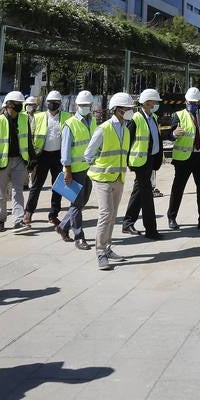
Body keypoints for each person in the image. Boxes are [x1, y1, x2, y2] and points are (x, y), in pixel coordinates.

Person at [86, 93, 135, 270]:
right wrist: (100, 167)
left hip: (119, 178)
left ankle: (107, 248)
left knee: (113, 216)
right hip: (103, 179)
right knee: (105, 214)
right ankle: (100, 252)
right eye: (127, 108)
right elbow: (88, 154)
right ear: (118, 109)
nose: (130, 111)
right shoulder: (104, 128)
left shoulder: (126, 129)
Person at [166, 87, 200, 231]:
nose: (193, 105)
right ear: (185, 101)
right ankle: (172, 217)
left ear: (199, 102)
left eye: (195, 102)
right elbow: (169, 135)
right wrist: (174, 134)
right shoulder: (178, 115)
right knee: (178, 189)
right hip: (184, 159)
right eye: (190, 102)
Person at [0, 91, 33, 234]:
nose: (20, 106)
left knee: (17, 191)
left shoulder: (24, 119)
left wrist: (32, 158)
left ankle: (18, 220)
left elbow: (28, 140)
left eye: (21, 104)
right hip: (2, 162)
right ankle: (1, 220)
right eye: (17, 104)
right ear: (9, 105)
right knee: (1, 193)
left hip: (19, 160)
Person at [56, 91, 98, 249]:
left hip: (87, 168)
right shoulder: (70, 124)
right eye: (82, 105)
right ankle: (79, 237)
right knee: (76, 204)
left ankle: (63, 226)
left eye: (87, 105)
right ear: (76, 106)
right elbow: (65, 150)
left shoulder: (92, 121)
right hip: (74, 170)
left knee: (82, 201)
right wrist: (67, 170)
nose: (85, 108)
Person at [121, 88, 163, 240]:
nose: (156, 104)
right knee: (146, 195)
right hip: (140, 162)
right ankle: (151, 229)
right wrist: (127, 162)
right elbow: (127, 141)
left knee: (139, 192)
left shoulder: (154, 117)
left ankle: (127, 223)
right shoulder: (135, 119)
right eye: (154, 101)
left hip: (150, 160)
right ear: (146, 103)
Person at [25, 90, 67, 227]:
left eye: (54, 103)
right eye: (49, 102)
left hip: (58, 156)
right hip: (42, 156)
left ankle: (53, 214)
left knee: (58, 187)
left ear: (59, 104)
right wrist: (32, 157)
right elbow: (30, 138)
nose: (52, 105)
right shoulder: (39, 117)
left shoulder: (66, 117)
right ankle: (28, 213)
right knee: (36, 186)